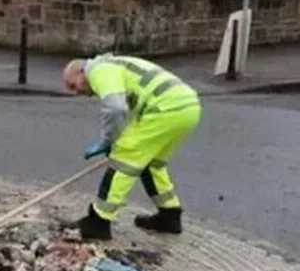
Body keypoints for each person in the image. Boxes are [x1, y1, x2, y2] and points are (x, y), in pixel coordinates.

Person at [62, 54, 203, 240]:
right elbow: (133, 111)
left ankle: (98, 222)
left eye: (74, 85)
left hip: (165, 109)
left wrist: (109, 141)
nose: (77, 92)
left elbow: (116, 109)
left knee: (123, 161)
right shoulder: (116, 65)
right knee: (152, 164)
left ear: (82, 71)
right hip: (188, 108)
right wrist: (118, 138)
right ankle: (169, 216)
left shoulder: (97, 70)